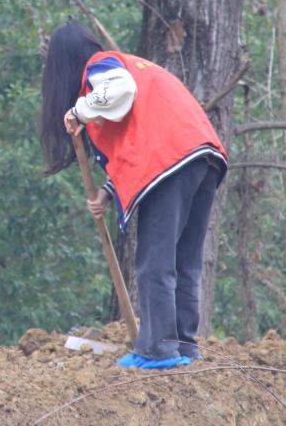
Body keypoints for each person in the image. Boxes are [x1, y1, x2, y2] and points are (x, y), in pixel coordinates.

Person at [39, 20, 227, 370]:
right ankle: (184, 346)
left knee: (156, 260)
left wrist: (79, 110)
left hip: (172, 160)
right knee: (184, 260)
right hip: (204, 157)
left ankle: (158, 350)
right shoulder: (133, 66)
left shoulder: (101, 67)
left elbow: (122, 91)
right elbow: (144, 134)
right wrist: (109, 191)